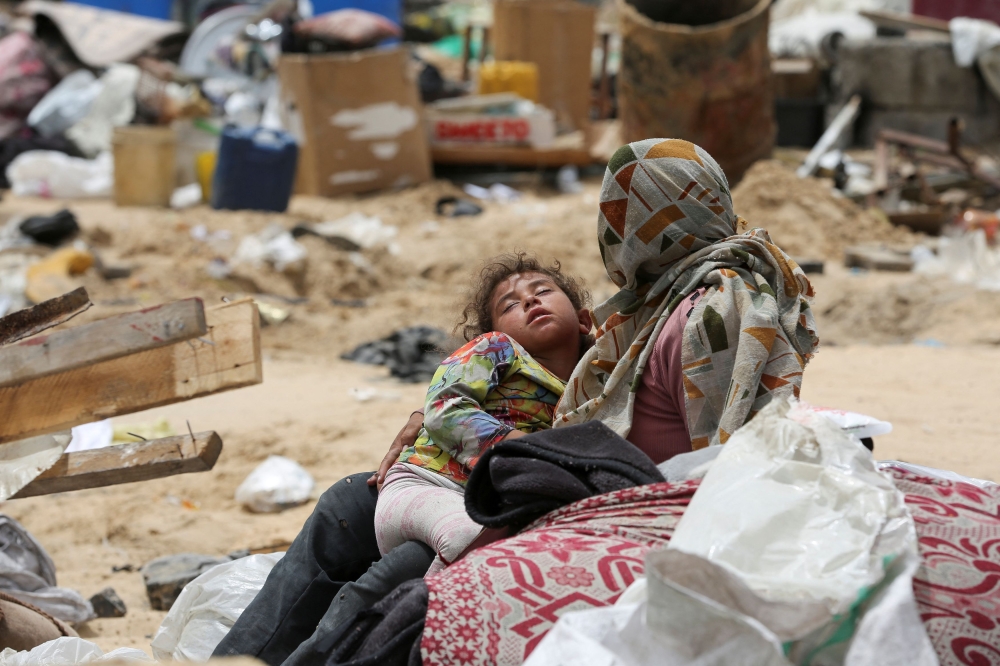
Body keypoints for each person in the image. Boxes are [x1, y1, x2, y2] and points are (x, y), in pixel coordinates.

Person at [215, 138, 819, 665]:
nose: (610, 231)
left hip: (562, 515)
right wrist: (438, 421)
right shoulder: (652, 309)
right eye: (511, 303)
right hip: (476, 489)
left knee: (393, 585)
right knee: (347, 510)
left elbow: (708, 455)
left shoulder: (700, 312)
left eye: (618, 213)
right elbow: (461, 399)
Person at [375, 256, 593, 576]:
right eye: (510, 306)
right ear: (497, 331)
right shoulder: (498, 348)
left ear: (584, 320)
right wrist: (527, 447)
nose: (530, 300)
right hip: (427, 483)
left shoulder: (597, 384)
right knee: (472, 542)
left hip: (489, 503)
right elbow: (445, 409)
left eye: (543, 291)